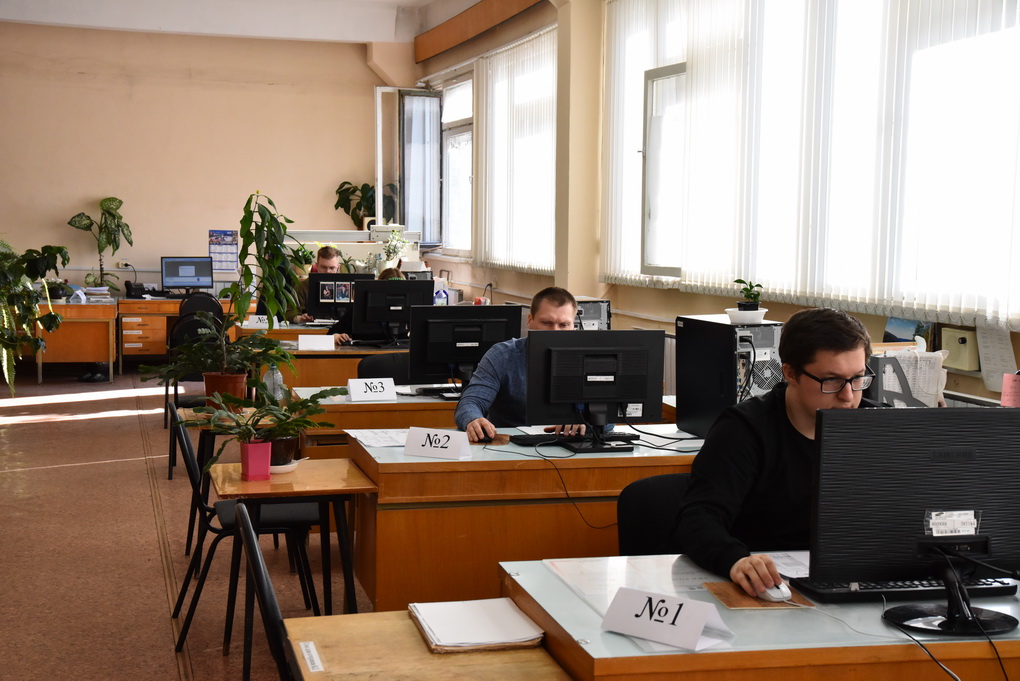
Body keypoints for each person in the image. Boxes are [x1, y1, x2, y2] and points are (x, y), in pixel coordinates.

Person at [668, 307, 880, 598]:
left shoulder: (878, 427)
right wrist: (736, 560)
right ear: (790, 373)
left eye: (857, 378)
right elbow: (698, 518)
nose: (848, 396)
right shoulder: (744, 429)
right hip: (765, 588)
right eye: (831, 381)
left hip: (855, 583)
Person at [455, 286, 583, 443]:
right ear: (530, 320)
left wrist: (588, 422)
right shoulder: (502, 355)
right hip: (510, 445)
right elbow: (471, 401)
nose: (554, 331)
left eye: (564, 325)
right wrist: (473, 419)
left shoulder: (588, 358)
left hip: (573, 444)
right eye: (546, 323)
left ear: (573, 326)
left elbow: (608, 412)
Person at [285, 246, 353, 344]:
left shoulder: (347, 286)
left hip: (343, 333)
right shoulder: (303, 286)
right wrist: (300, 318)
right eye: (324, 267)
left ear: (338, 267)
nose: (328, 271)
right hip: (312, 333)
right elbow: (289, 312)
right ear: (316, 265)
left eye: (332, 268)